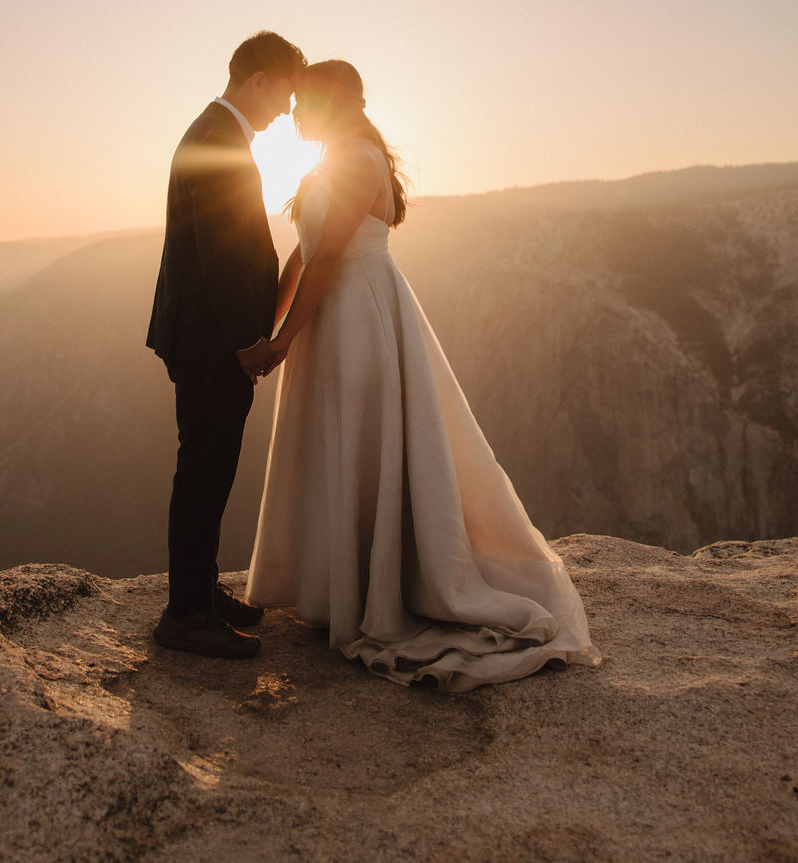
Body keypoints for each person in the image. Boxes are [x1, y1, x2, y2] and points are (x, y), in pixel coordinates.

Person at [246, 60, 601, 691]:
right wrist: (272, 328)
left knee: (364, 441)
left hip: (360, 314)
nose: (296, 114)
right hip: (331, 316)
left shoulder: (357, 160)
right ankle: (342, 587)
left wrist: (282, 343)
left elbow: (329, 257)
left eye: (306, 103)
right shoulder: (330, 161)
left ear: (335, 104)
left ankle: (378, 592)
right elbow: (302, 252)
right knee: (339, 444)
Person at [147, 30, 306, 660]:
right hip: (212, 343)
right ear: (259, 80)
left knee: (208, 471)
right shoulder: (218, 140)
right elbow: (218, 255)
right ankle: (184, 614)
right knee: (204, 474)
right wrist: (247, 344)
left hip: (205, 338)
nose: (287, 111)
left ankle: (199, 592)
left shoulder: (215, 132)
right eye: (286, 94)